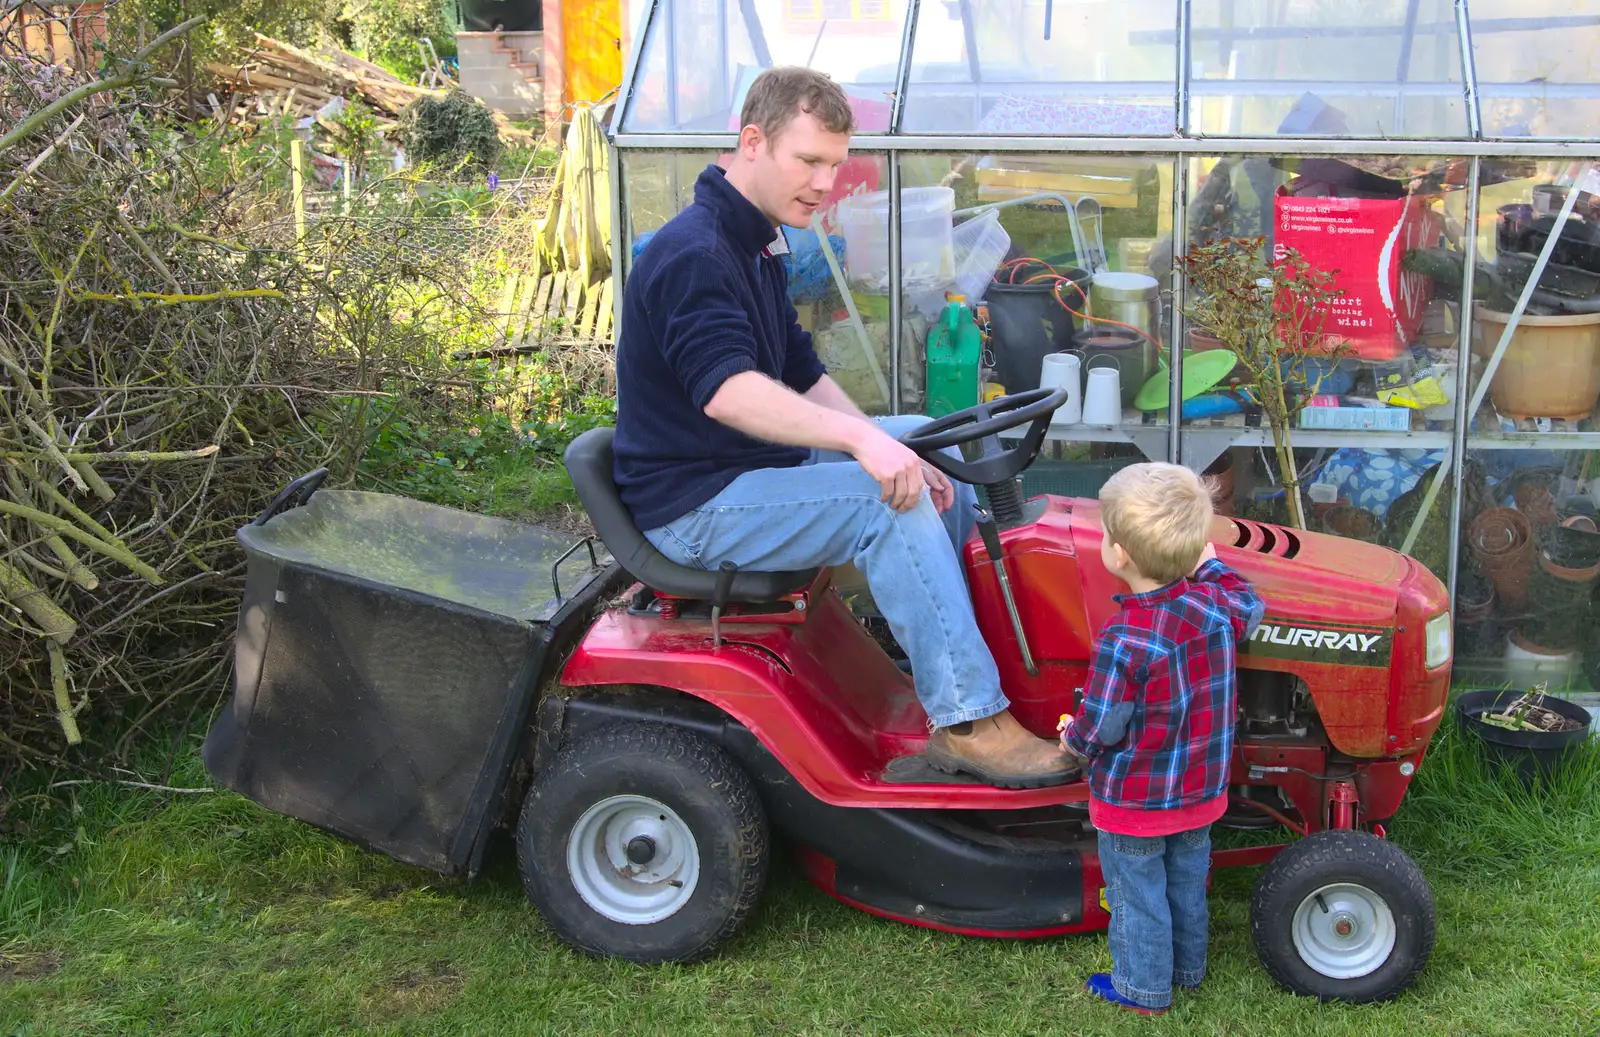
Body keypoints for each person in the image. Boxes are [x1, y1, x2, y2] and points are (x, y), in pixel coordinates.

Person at [610, 66, 1073, 788]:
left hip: (753, 468)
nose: (826, 182)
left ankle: (959, 649)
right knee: (886, 501)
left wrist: (891, 442)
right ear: (753, 142)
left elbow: (800, 373)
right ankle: (968, 719)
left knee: (927, 440)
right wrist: (865, 447)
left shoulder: (757, 241)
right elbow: (729, 394)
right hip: (695, 504)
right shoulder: (694, 254)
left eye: (834, 163)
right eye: (810, 160)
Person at [1057, 463, 1265, 1015]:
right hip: (1200, 792)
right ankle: (1189, 971)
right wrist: (1211, 563)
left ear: (1119, 554)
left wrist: (1071, 742)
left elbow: (1103, 726)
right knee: (1187, 885)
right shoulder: (1214, 608)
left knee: (1137, 895)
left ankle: (1142, 988)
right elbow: (1249, 602)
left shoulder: (1123, 640)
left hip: (1135, 802)